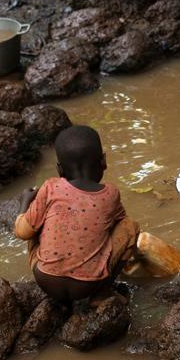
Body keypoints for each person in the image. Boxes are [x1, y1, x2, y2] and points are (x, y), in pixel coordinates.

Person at [13, 126, 140, 304]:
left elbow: (21, 233)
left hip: (46, 281)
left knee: (34, 220)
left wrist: (24, 203)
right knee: (131, 227)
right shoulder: (111, 193)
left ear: (60, 170)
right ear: (103, 161)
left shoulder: (50, 188)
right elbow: (119, 224)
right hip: (87, 286)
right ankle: (102, 293)